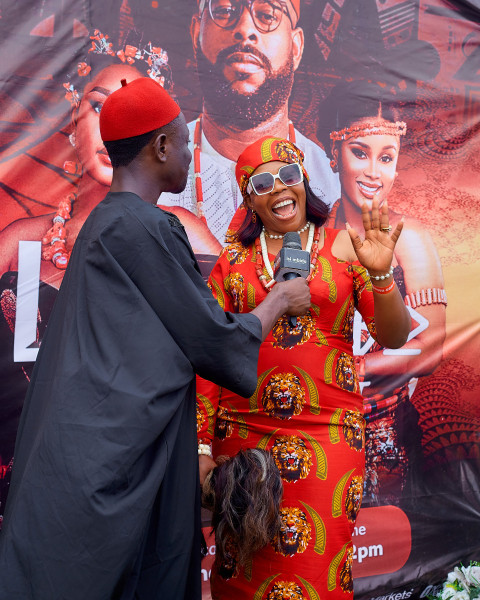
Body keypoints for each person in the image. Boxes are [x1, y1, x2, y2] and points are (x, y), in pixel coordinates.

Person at [0, 79, 311, 599]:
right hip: (109, 461)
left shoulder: (107, 222)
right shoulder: (142, 226)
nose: (190, 151)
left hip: (91, 450)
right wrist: (280, 298)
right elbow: (211, 338)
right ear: (161, 146)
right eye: (183, 141)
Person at [0, 29, 220, 521]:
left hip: (127, 484)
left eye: (134, 113)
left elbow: (224, 342)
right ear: (70, 125)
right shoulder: (21, 240)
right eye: (99, 107)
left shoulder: (181, 233)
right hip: (22, 483)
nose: (113, 127)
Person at [196, 136, 411, 599]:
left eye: (288, 176)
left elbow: (392, 336)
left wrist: (381, 274)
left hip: (328, 438)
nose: (279, 190)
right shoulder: (231, 263)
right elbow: (210, 358)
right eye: (262, 183)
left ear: (304, 181)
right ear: (249, 199)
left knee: (319, 571)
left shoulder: (344, 248)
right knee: (243, 568)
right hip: (244, 443)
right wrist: (200, 448)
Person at [317, 80, 447, 505]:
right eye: (360, 153)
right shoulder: (312, 236)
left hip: (388, 443)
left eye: (386, 158)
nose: (374, 172)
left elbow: (429, 351)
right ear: (333, 154)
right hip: (316, 428)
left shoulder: (410, 240)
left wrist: (357, 367)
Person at [158, 0, 339, 252]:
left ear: (296, 48)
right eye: (223, 11)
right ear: (196, 33)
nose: (244, 29)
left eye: (267, 15)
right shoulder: (152, 172)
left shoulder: (333, 185)